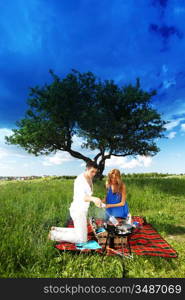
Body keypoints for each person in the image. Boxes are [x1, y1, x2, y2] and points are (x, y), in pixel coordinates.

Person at [48, 161, 103, 244]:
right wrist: (94, 199)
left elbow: (88, 195)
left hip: (82, 210)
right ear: (87, 169)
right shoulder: (80, 180)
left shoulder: (89, 178)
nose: (94, 174)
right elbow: (82, 197)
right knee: (82, 239)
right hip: (78, 210)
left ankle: (56, 229)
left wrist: (96, 201)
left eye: (95, 172)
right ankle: (53, 235)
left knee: (80, 231)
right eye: (92, 171)